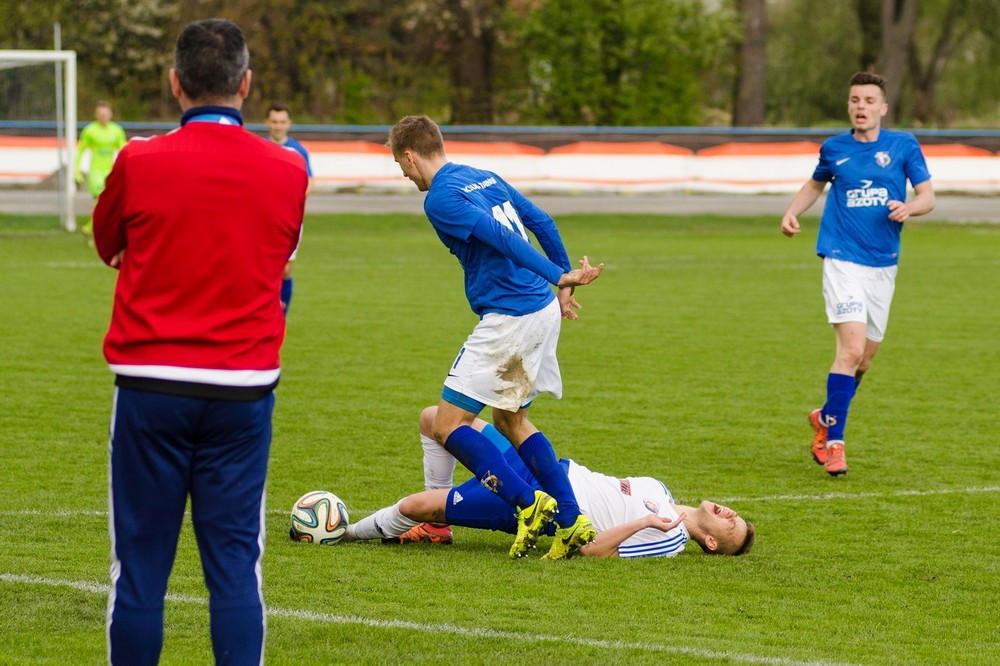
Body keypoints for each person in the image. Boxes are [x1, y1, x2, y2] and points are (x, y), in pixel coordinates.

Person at [93, 19, 307, 665]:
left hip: (152, 386)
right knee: (236, 570)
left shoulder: (138, 159)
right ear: (245, 85)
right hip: (242, 393)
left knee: (139, 571)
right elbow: (278, 255)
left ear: (174, 84)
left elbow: (106, 244)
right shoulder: (287, 169)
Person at [386, 115, 605, 560]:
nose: (404, 175)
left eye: (400, 165)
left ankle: (528, 505)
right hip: (540, 309)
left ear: (410, 156)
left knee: (447, 424)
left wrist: (557, 273)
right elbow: (538, 219)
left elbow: (499, 237)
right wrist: (561, 283)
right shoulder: (482, 176)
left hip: (511, 316)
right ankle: (571, 517)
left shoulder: (441, 198)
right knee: (510, 420)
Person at [342, 406, 756, 558]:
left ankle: (344, 533)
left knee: (414, 504)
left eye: (731, 524)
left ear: (713, 542)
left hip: (536, 502)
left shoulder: (668, 539)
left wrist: (644, 524)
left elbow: (593, 550)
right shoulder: (659, 489)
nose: (730, 513)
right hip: (544, 467)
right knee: (435, 419)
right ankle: (438, 528)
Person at [781, 71, 934, 476]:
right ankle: (835, 445)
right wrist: (792, 211)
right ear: (849, 105)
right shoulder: (834, 149)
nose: (860, 107)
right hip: (841, 258)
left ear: (883, 107)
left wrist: (910, 208)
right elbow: (815, 185)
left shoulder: (903, 145)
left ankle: (825, 416)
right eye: (854, 100)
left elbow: (927, 196)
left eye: (868, 100)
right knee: (848, 351)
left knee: (864, 360)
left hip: (883, 263)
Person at [265, 101, 314, 314]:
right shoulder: (261, 148)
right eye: (274, 122)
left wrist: (288, 202)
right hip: (263, 219)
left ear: (289, 123)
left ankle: (280, 316)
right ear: (267, 123)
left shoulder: (298, 150)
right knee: (264, 270)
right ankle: (263, 315)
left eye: (282, 122)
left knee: (285, 269)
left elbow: (309, 182)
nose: (278, 126)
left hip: (289, 219)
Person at [74, 100, 127, 236]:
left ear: (110, 114)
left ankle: (95, 227)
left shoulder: (116, 130)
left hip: (110, 170)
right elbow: (80, 151)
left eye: (105, 113)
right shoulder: (90, 130)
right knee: (100, 199)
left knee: (110, 202)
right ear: (96, 115)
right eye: (100, 113)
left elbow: (124, 151)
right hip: (96, 171)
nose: (103, 116)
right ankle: (93, 227)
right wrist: (77, 170)